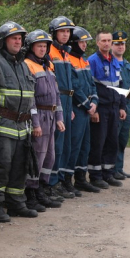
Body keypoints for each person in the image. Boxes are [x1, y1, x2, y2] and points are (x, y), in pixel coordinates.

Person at [0, 21, 38, 222]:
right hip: (2, 123)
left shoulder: (22, 64)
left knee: (20, 166)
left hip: (22, 125)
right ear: (3, 41)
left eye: (20, 38)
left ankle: (16, 203)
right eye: (14, 38)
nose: (18, 41)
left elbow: (30, 96)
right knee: (0, 166)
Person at [23, 29, 65, 211]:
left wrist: (59, 117)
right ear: (31, 47)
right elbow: (29, 97)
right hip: (39, 115)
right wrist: (35, 123)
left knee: (49, 156)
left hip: (50, 115)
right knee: (37, 157)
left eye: (45, 46)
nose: (42, 49)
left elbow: (56, 95)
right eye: (39, 46)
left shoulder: (48, 66)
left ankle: (43, 189)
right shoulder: (28, 65)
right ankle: (30, 194)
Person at [87, 30, 128, 188]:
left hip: (114, 108)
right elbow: (90, 86)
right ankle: (96, 176)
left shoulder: (115, 61)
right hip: (101, 108)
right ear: (97, 43)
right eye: (103, 40)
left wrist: (122, 106)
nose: (106, 43)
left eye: (109, 41)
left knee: (112, 141)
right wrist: (94, 109)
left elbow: (120, 86)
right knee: (98, 142)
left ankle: (108, 174)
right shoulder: (92, 61)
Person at [47, 17, 78, 200]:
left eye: (68, 31)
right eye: (62, 31)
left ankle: (62, 179)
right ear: (54, 33)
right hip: (57, 101)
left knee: (66, 145)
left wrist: (70, 107)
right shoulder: (49, 51)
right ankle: (51, 182)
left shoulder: (65, 53)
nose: (66, 34)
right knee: (56, 145)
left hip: (67, 101)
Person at [67, 27, 100, 194]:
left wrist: (95, 101)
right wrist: (88, 105)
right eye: (81, 42)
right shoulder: (70, 60)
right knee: (74, 146)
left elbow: (92, 83)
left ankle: (81, 178)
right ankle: (68, 180)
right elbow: (74, 87)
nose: (85, 45)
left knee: (85, 146)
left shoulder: (84, 60)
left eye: (86, 42)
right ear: (73, 43)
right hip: (78, 110)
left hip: (87, 110)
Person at [111, 30, 130, 179]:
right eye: (117, 44)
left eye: (122, 44)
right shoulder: (110, 63)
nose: (120, 47)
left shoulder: (128, 65)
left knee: (123, 139)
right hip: (114, 106)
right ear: (112, 45)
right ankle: (112, 169)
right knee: (113, 138)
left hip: (127, 106)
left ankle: (119, 167)